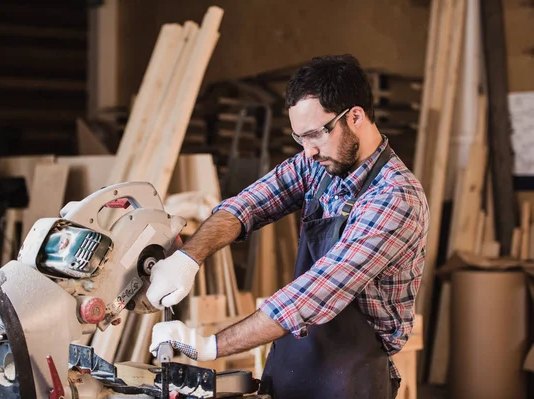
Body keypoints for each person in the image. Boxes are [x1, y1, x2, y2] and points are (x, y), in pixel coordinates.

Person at [146, 54, 429, 399]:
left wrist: (209, 345)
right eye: (299, 139)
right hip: (297, 355)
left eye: (315, 135)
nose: (307, 152)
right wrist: (188, 259)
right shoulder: (320, 165)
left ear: (355, 117)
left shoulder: (396, 197)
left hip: (352, 375)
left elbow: (319, 290)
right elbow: (248, 204)